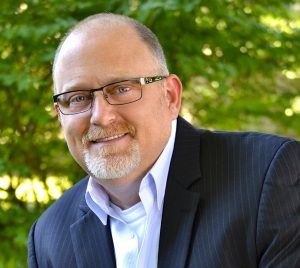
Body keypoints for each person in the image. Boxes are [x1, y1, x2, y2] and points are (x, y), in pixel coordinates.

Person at [28, 13, 300, 268]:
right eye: (78, 98)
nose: (101, 116)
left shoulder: (270, 179)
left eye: (122, 89)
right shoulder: (48, 237)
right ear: (60, 115)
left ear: (170, 96)